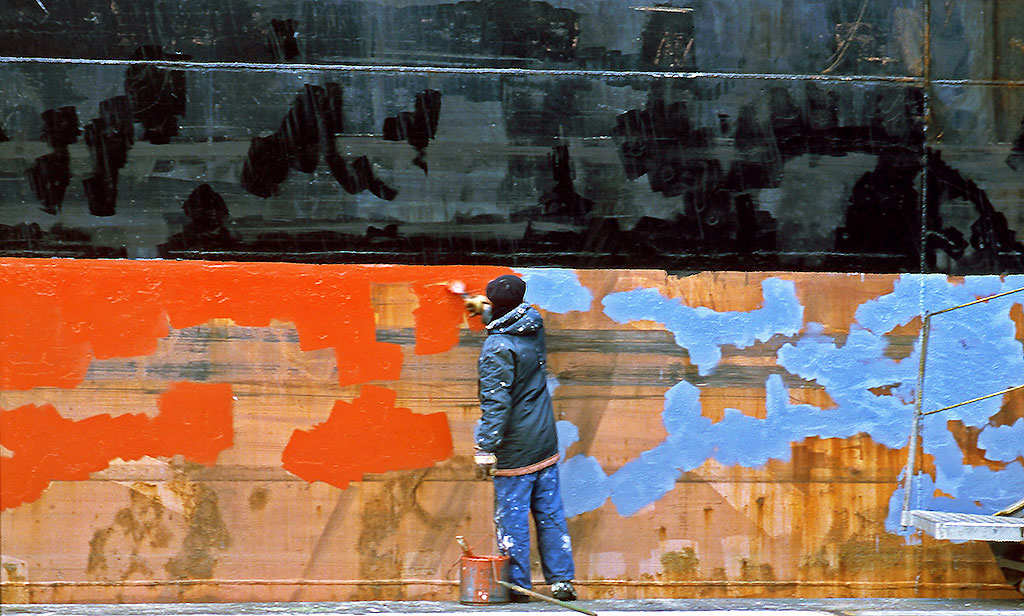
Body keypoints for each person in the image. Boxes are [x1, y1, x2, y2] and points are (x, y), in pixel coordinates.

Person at [468, 274, 577, 602]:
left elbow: (496, 402)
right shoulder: (533, 324)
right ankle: (561, 581)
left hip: (515, 445)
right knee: (550, 511)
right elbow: (510, 322)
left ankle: (519, 587)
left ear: (495, 303)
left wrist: (485, 448)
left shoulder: (495, 349)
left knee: (512, 516)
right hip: (544, 436)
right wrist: (483, 311)